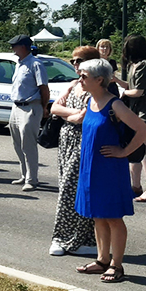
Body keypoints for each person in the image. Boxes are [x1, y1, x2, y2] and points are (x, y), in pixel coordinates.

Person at [72, 58, 146, 284]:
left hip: (110, 170)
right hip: (91, 168)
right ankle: (102, 259)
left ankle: (116, 264)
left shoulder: (115, 105)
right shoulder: (90, 102)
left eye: (84, 76)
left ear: (99, 79)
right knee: (98, 216)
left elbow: (143, 130)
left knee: (113, 218)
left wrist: (124, 151)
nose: (80, 79)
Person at [47, 48, 100, 257]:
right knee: (66, 186)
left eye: (80, 61)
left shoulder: (98, 87)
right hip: (67, 139)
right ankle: (71, 239)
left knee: (73, 190)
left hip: (84, 141)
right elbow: (54, 109)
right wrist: (71, 114)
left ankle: (67, 238)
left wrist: (68, 114)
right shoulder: (73, 85)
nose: (75, 65)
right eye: (73, 61)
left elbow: (84, 117)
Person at [120, 34, 146, 202]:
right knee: (134, 148)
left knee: (143, 149)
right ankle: (135, 186)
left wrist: (121, 94)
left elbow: (138, 92)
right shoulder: (133, 66)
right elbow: (131, 87)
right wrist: (115, 81)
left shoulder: (145, 65)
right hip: (134, 112)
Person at [7, 34, 49, 191]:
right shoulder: (19, 64)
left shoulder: (35, 64)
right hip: (16, 106)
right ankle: (24, 174)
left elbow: (44, 88)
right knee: (17, 142)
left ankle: (32, 179)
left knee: (28, 144)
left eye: (15, 46)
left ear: (23, 47)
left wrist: (44, 108)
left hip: (31, 106)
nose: (13, 49)